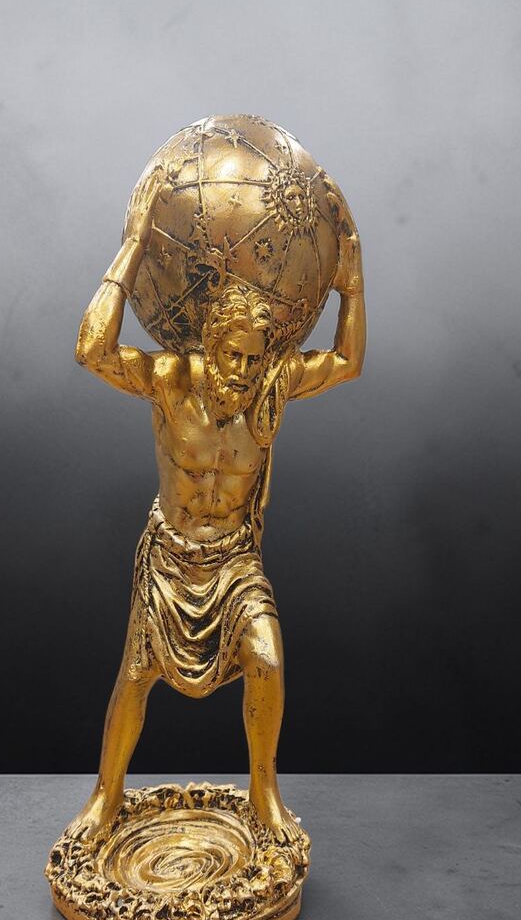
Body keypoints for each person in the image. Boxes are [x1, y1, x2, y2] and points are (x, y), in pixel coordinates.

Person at [69, 170, 365, 841]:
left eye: (254, 358)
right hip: (170, 561)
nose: (242, 371)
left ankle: (264, 790)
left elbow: (347, 361)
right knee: (135, 676)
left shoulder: (271, 384)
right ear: (208, 343)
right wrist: (134, 246)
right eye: (232, 355)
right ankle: (105, 794)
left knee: (267, 658)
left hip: (234, 563)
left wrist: (351, 284)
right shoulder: (172, 380)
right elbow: (91, 349)